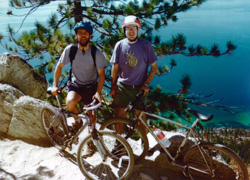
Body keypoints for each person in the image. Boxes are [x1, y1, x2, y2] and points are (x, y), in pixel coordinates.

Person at [51, 20, 108, 131]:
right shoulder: (70, 50)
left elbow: (101, 75)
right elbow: (59, 67)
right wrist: (55, 85)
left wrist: (98, 93)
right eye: (80, 32)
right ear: (76, 35)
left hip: (91, 87)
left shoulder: (96, 53)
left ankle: (92, 140)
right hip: (76, 85)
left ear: (90, 35)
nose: (83, 35)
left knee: (91, 115)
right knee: (69, 102)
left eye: (85, 32)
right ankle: (78, 122)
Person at [110, 15, 158, 133]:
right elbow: (115, 68)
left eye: (133, 28)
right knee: (119, 113)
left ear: (138, 30)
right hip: (123, 86)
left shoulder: (145, 45)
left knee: (140, 115)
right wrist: (113, 87)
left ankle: (144, 143)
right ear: (124, 30)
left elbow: (154, 67)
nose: (131, 31)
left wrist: (146, 84)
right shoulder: (120, 45)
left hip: (139, 87)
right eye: (128, 28)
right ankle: (119, 143)